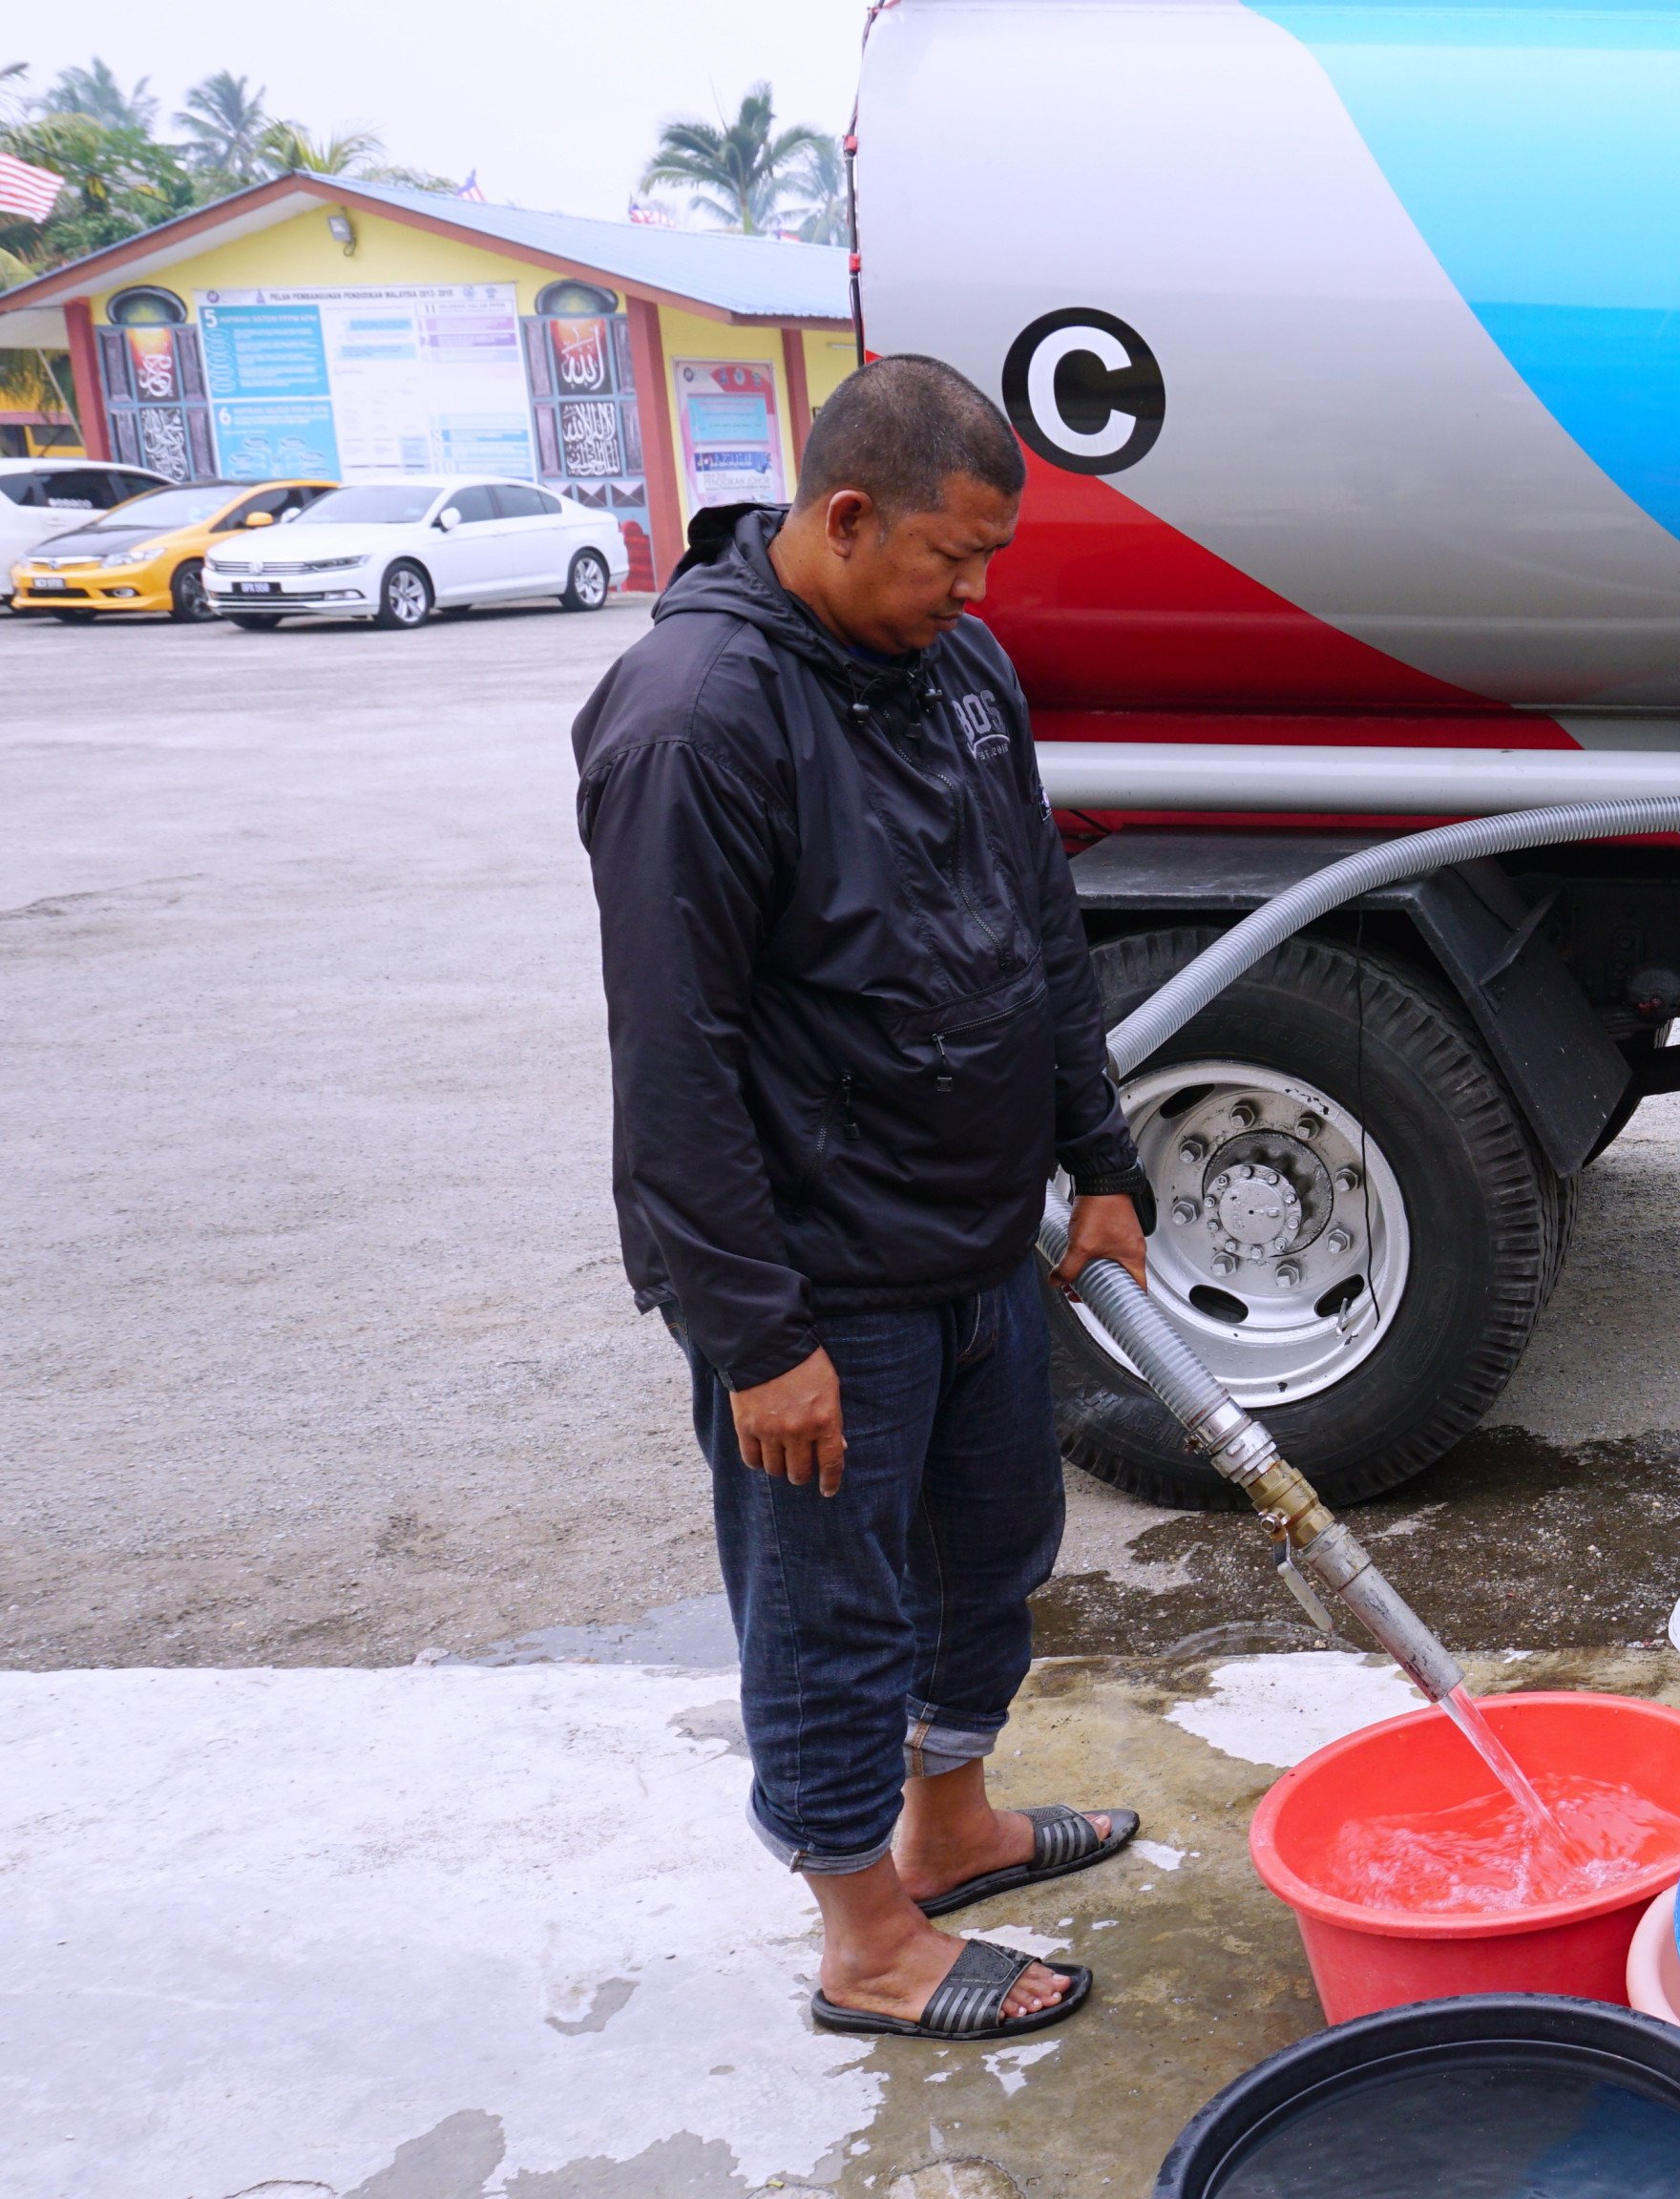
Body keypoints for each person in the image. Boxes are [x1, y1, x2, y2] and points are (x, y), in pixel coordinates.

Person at [572, 355, 1157, 2042]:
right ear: (844, 517)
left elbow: (1040, 923)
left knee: (990, 1557)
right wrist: (758, 1338)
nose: (976, 596)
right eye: (950, 559)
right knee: (832, 1609)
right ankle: (867, 1938)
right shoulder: (696, 719)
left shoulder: (956, 667)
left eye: (987, 564)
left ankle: (951, 1826)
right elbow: (672, 1061)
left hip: (973, 1239)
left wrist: (1100, 1164)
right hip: (818, 1279)